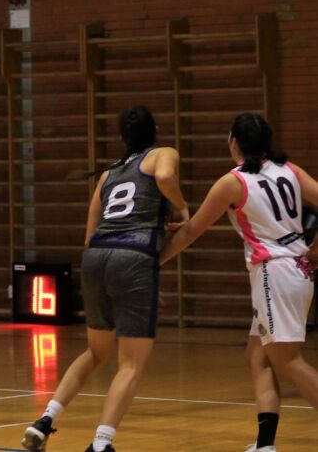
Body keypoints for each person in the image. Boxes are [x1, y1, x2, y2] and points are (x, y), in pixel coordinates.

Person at [22, 106, 189, 452]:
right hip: (134, 256)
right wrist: (183, 206)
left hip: (95, 257)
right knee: (131, 362)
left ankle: (45, 420)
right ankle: (102, 443)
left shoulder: (108, 173)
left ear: (122, 138)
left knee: (96, 352)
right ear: (155, 129)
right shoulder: (163, 153)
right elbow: (164, 177)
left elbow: (89, 233)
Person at [160, 113, 318, 452]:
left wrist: (153, 263)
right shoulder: (289, 170)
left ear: (234, 142)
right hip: (299, 270)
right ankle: (265, 445)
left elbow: (191, 231)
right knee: (257, 355)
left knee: (289, 361)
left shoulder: (233, 182)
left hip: (273, 273)